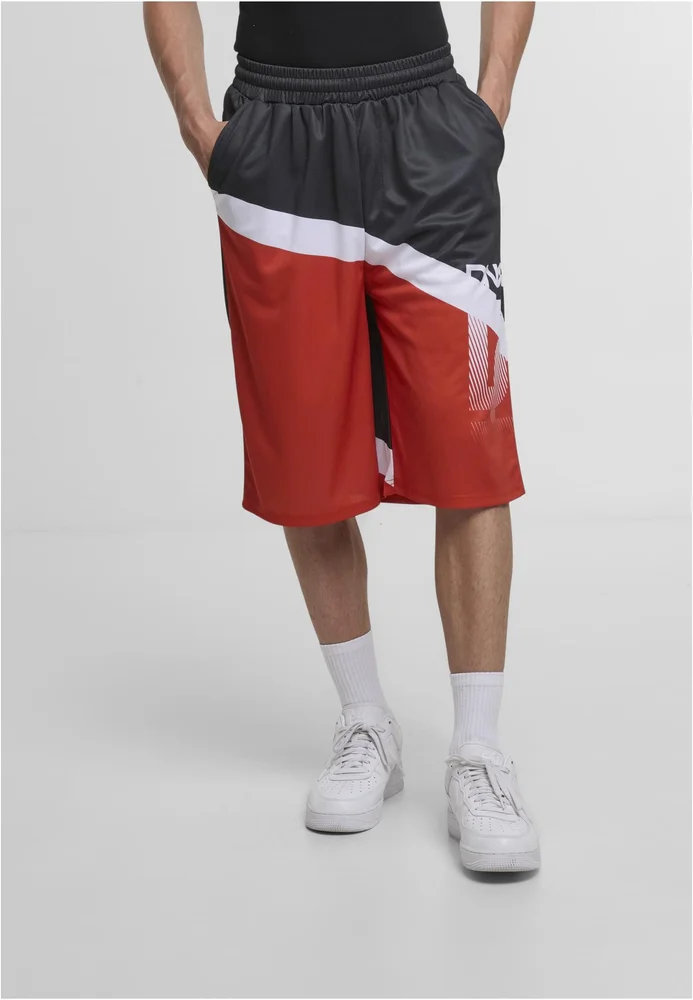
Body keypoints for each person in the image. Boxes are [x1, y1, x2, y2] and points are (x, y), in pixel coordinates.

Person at [144, 0, 538, 872]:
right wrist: (199, 127)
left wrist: (491, 104)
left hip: (426, 125)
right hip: (275, 139)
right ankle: (365, 721)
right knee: (304, 455)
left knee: (468, 447)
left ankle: (478, 751)